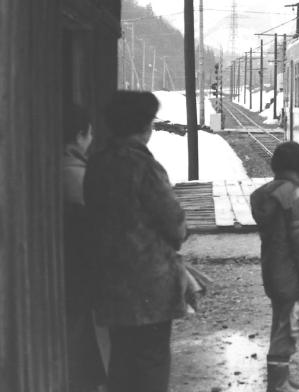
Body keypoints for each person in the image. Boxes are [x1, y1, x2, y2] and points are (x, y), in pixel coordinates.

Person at [84, 91, 187, 392]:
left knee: (121, 361)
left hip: (111, 281)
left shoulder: (98, 163)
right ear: (144, 126)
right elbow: (175, 224)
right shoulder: (145, 166)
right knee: (151, 362)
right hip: (149, 287)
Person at [250, 141, 299, 392]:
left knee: (281, 322)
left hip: (271, 270)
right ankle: (278, 384)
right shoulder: (296, 198)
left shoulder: (264, 194)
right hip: (290, 274)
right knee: (285, 329)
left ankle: (282, 377)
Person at [62, 104, 107, 392]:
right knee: (82, 337)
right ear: (80, 135)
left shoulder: (54, 166)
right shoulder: (79, 176)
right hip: (80, 270)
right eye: (89, 134)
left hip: (64, 267)